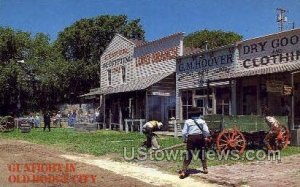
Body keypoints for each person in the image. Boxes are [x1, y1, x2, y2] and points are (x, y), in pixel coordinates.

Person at [179, 112, 210, 179]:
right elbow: (206, 131)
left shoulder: (188, 121)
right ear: (199, 115)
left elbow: (184, 132)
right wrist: (205, 137)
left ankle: (183, 171)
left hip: (191, 138)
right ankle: (205, 169)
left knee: (189, 154)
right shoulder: (202, 121)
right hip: (200, 137)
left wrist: (184, 139)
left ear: (191, 115)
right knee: (202, 153)